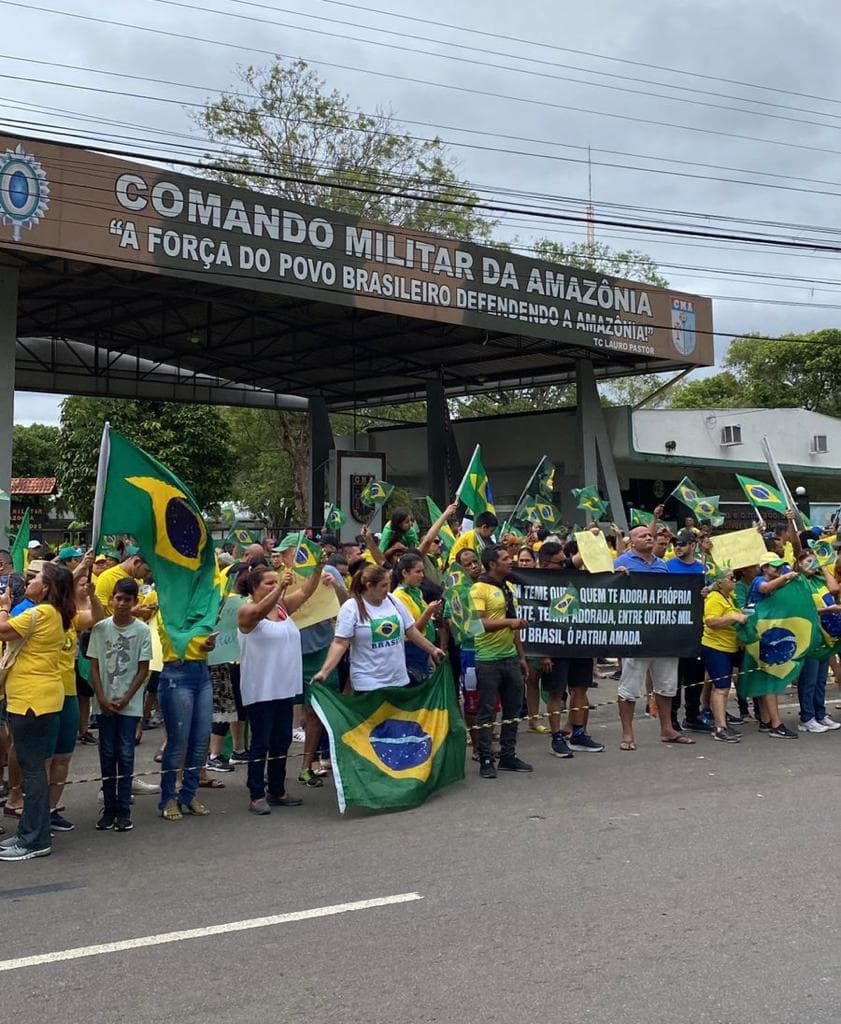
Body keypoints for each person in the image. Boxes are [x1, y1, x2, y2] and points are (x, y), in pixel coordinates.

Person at [236, 563, 329, 814]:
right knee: (261, 742)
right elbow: (259, 611)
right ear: (254, 588)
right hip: (261, 690)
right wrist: (280, 588)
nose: (274, 586)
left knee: (282, 740)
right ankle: (256, 793)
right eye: (268, 583)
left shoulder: (282, 608)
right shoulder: (247, 611)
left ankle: (277, 789)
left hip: (285, 688)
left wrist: (318, 569)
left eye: (276, 582)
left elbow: (307, 591)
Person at [0, 563, 75, 861]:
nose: (28, 581)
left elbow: (3, 631)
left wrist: (4, 606)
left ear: (46, 588)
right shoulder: (53, 613)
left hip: (33, 700)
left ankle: (34, 840)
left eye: (35, 578)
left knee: (32, 771)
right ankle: (30, 832)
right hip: (36, 698)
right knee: (33, 770)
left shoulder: (42, 612)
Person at [614, 526, 693, 750]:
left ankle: (667, 729)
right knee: (629, 688)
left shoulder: (662, 565)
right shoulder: (621, 562)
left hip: (662, 634)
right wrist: (616, 577)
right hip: (635, 634)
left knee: (666, 685)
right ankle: (627, 734)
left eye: (650, 535)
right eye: (643, 536)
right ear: (631, 542)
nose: (649, 538)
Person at [313, 564, 445, 693]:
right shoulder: (351, 607)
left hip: (398, 680)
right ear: (369, 585)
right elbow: (340, 643)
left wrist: (433, 650)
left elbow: (410, 630)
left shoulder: (393, 601)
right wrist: (325, 672)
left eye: (389, 584)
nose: (388, 589)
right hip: (368, 683)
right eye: (383, 585)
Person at [47, 552, 107, 833]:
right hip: (44, 696)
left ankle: (51, 809)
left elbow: (98, 619)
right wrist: (82, 566)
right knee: (42, 759)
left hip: (68, 694)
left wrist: (93, 594)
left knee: (63, 757)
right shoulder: (41, 614)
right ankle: (34, 811)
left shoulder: (69, 619)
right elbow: (57, 588)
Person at [87, 578, 153, 831]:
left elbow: (143, 668)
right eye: (119, 598)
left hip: (129, 704)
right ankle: (109, 807)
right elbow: (94, 666)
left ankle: (124, 809)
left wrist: (126, 698)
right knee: (107, 754)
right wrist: (102, 698)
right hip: (104, 702)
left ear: (135, 602)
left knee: (125, 753)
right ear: (112, 599)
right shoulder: (100, 629)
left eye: (128, 599)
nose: (122, 603)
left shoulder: (142, 630)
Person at [536, 541, 605, 756]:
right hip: (553, 646)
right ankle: (557, 738)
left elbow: (584, 555)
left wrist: (592, 536)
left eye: (565, 561)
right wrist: (543, 653)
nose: (565, 565)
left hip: (578, 643)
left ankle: (578, 734)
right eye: (559, 563)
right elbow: (536, 621)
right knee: (556, 693)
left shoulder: (567, 571)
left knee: (580, 688)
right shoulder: (535, 583)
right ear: (545, 564)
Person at [471, 543, 532, 779]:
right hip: (488, 659)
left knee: (513, 708)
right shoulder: (479, 589)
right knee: (487, 711)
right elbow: (477, 624)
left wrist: (521, 656)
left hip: (510, 657)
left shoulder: (508, 587)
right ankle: (486, 758)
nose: (510, 561)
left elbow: (513, 622)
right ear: (492, 564)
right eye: (505, 558)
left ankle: (508, 755)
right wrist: (509, 623)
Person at [665, 529, 710, 733]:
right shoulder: (667, 567)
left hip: (696, 628)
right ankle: (672, 717)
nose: (677, 547)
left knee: (695, 675)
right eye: (675, 544)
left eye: (682, 544)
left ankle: (692, 716)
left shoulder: (703, 569)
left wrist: (707, 591)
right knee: (675, 676)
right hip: (674, 629)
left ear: (692, 545)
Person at [794, 550, 841, 734]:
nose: (812, 564)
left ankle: (820, 714)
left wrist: (822, 566)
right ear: (799, 562)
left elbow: (834, 589)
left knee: (821, 679)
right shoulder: (797, 582)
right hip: (809, 635)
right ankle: (807, 717)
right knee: (809, 679)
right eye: (808, 561)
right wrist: (826, 611)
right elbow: (800, 609)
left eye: (814, 561)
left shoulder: (819, 580)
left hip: (825, 636)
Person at [700, 570, 748, 742]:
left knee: (723, 686)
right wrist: (732, 617)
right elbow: (710, 621)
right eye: (730, 578)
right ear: (719, 582)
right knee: (721, 687)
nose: (734, 580)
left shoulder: (730, 596)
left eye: (735, 577)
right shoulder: (714, 598)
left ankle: (722, 722)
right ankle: (720, 727)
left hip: (730, 647)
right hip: (716, 647)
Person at [392, 553, 442, 685]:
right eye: (418, 572)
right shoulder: (399, 596)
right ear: (405, 573)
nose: (422, 575)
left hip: (423, 649)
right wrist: (428, 611)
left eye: (422, 571)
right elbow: (412, 630)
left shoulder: (417, 592)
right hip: (411, 650)